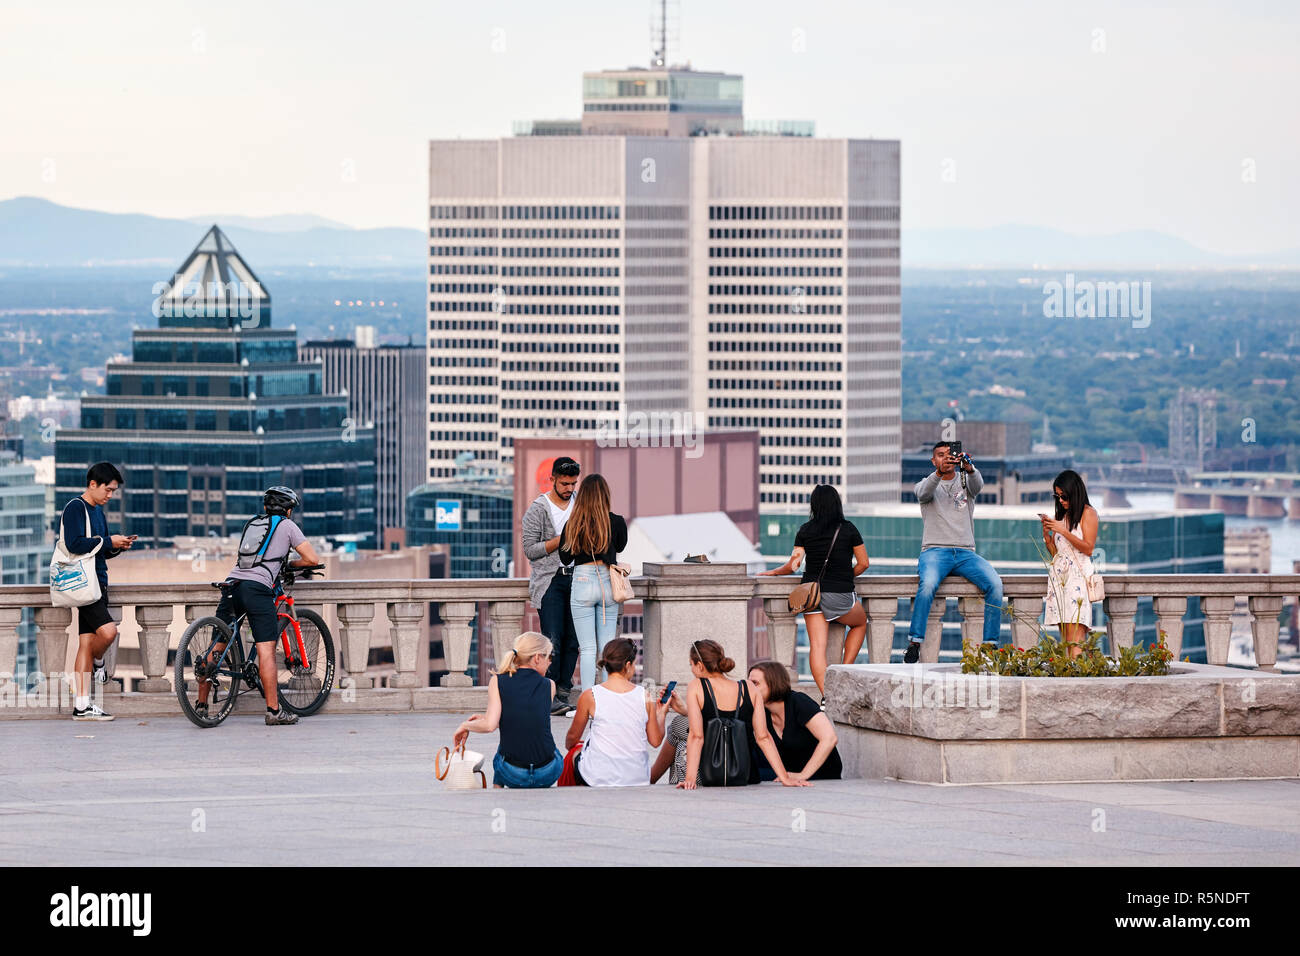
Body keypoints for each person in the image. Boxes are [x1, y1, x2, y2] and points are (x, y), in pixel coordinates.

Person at [198, 486, 323, 726]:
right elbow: (312, 559)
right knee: (266, 650)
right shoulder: (287, 526)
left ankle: (201, 705)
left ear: (265, 508)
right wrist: (290, 565)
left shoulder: (253, 524)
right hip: (257, 589)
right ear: (288, 510)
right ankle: (274, 712)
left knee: (218, 645)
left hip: (232, 584)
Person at [758, 484, 869, 700]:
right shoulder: (848, 529)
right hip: (840, 594)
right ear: (837, 504)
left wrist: (774, 572)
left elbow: (793, 566)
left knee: (817, 647)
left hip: (811, 595)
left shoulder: (805, 530)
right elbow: (864, 563)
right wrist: (846, 576)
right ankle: (844, 673)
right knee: (860, 623)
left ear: (814, 505)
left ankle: (828, 696)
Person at [903, 442, 1004, 664]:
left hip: (966, 551)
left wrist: (970, 468)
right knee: (927, 584)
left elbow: (979, 487)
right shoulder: (926, 483)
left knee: (995, 585)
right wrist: (939, 474)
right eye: (940, 456)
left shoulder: (966, 481)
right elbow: (923, 493)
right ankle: (914, 642)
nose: (945, 459)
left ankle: (990, 645)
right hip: (934, 550)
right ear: (933, 461)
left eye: (950, 455)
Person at [679, 639, 810, 789]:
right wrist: (784, 778)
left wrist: (690, 779)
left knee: (677, 728)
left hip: (712, 775)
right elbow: (763, 737)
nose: (692, 670)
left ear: (700, 666)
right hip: (747, 774)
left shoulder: (696, 686)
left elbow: (697, 736)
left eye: (691, 665)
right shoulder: (748, 687)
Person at [61, 462, 135, 721]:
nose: (110, 495)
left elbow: (99, 550)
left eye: (114, 491)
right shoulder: (75, 508)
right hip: (83, 585)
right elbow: (74, 543)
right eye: (108, 490)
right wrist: (107, 540)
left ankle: (82, 705)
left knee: (84, 644)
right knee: (109, 632)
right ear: (93, 484)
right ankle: (99, 662)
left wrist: (117, 546)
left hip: (98, 582)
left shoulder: (98, 512)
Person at [455, 632, 563, 789]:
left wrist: (466, 725)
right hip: (548, 773)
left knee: (503, 749)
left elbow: (490, 726)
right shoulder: (549, 685)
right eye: (549, 657)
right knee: (552, 750)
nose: (550, 662)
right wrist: (489, 719)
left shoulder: (498, 681)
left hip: (513, 774)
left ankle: (498, 788)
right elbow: (529, 718)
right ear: (537, 658)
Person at [564, 637, 675, 786]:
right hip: (637, 777)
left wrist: (575, 745)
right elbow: (655, 741)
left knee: (574, 753)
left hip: (598, 777)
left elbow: (572, 738)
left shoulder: (590, 695)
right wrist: (662, 713)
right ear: (628, 665)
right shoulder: (645, 695)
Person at [521, 456, 582, 715]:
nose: (569, 488)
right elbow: (530, 550)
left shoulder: (580, 504)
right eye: (565, 483)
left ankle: (565, 692)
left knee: (573, 641)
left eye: (573, 483)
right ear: (553, 480)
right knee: (552, 640)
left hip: (579, 577)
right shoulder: (538, 509)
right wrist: (562, 540)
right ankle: (550, 694)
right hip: (550, 581)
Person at [558, 474, 627, 695]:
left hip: (582, 579)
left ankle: (589, 700)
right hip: (608, 581)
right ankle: (610, 697)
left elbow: (565, 557)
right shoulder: (616, 521)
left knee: (587, 648)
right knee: (607, 647)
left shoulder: (573, 523)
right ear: (605, 495)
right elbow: (621, 545)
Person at [747, 661, 842, 781]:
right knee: (747, 772)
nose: (749, 688)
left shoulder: (798, 702)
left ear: (773, 684)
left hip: (819, 774)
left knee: (750, 776)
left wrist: (803, 775)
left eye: (755, 683)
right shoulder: (761, 711)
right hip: (786, 772)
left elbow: (830, 738)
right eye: (748, 683)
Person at [1040, 469, 1100, 658]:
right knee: (1065, 640)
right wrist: (1048, 538)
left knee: (1076, 639)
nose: (1060, 501)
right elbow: (1058, 555)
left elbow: (1088, 548)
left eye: (1063, 496)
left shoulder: (1088, 513)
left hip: (1076, 583)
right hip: (1060, 582)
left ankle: (1080, 681)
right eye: (1057, 496)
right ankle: (1071, 675)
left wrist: (1063, 530)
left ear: (1074, 493)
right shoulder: (1063, 516)